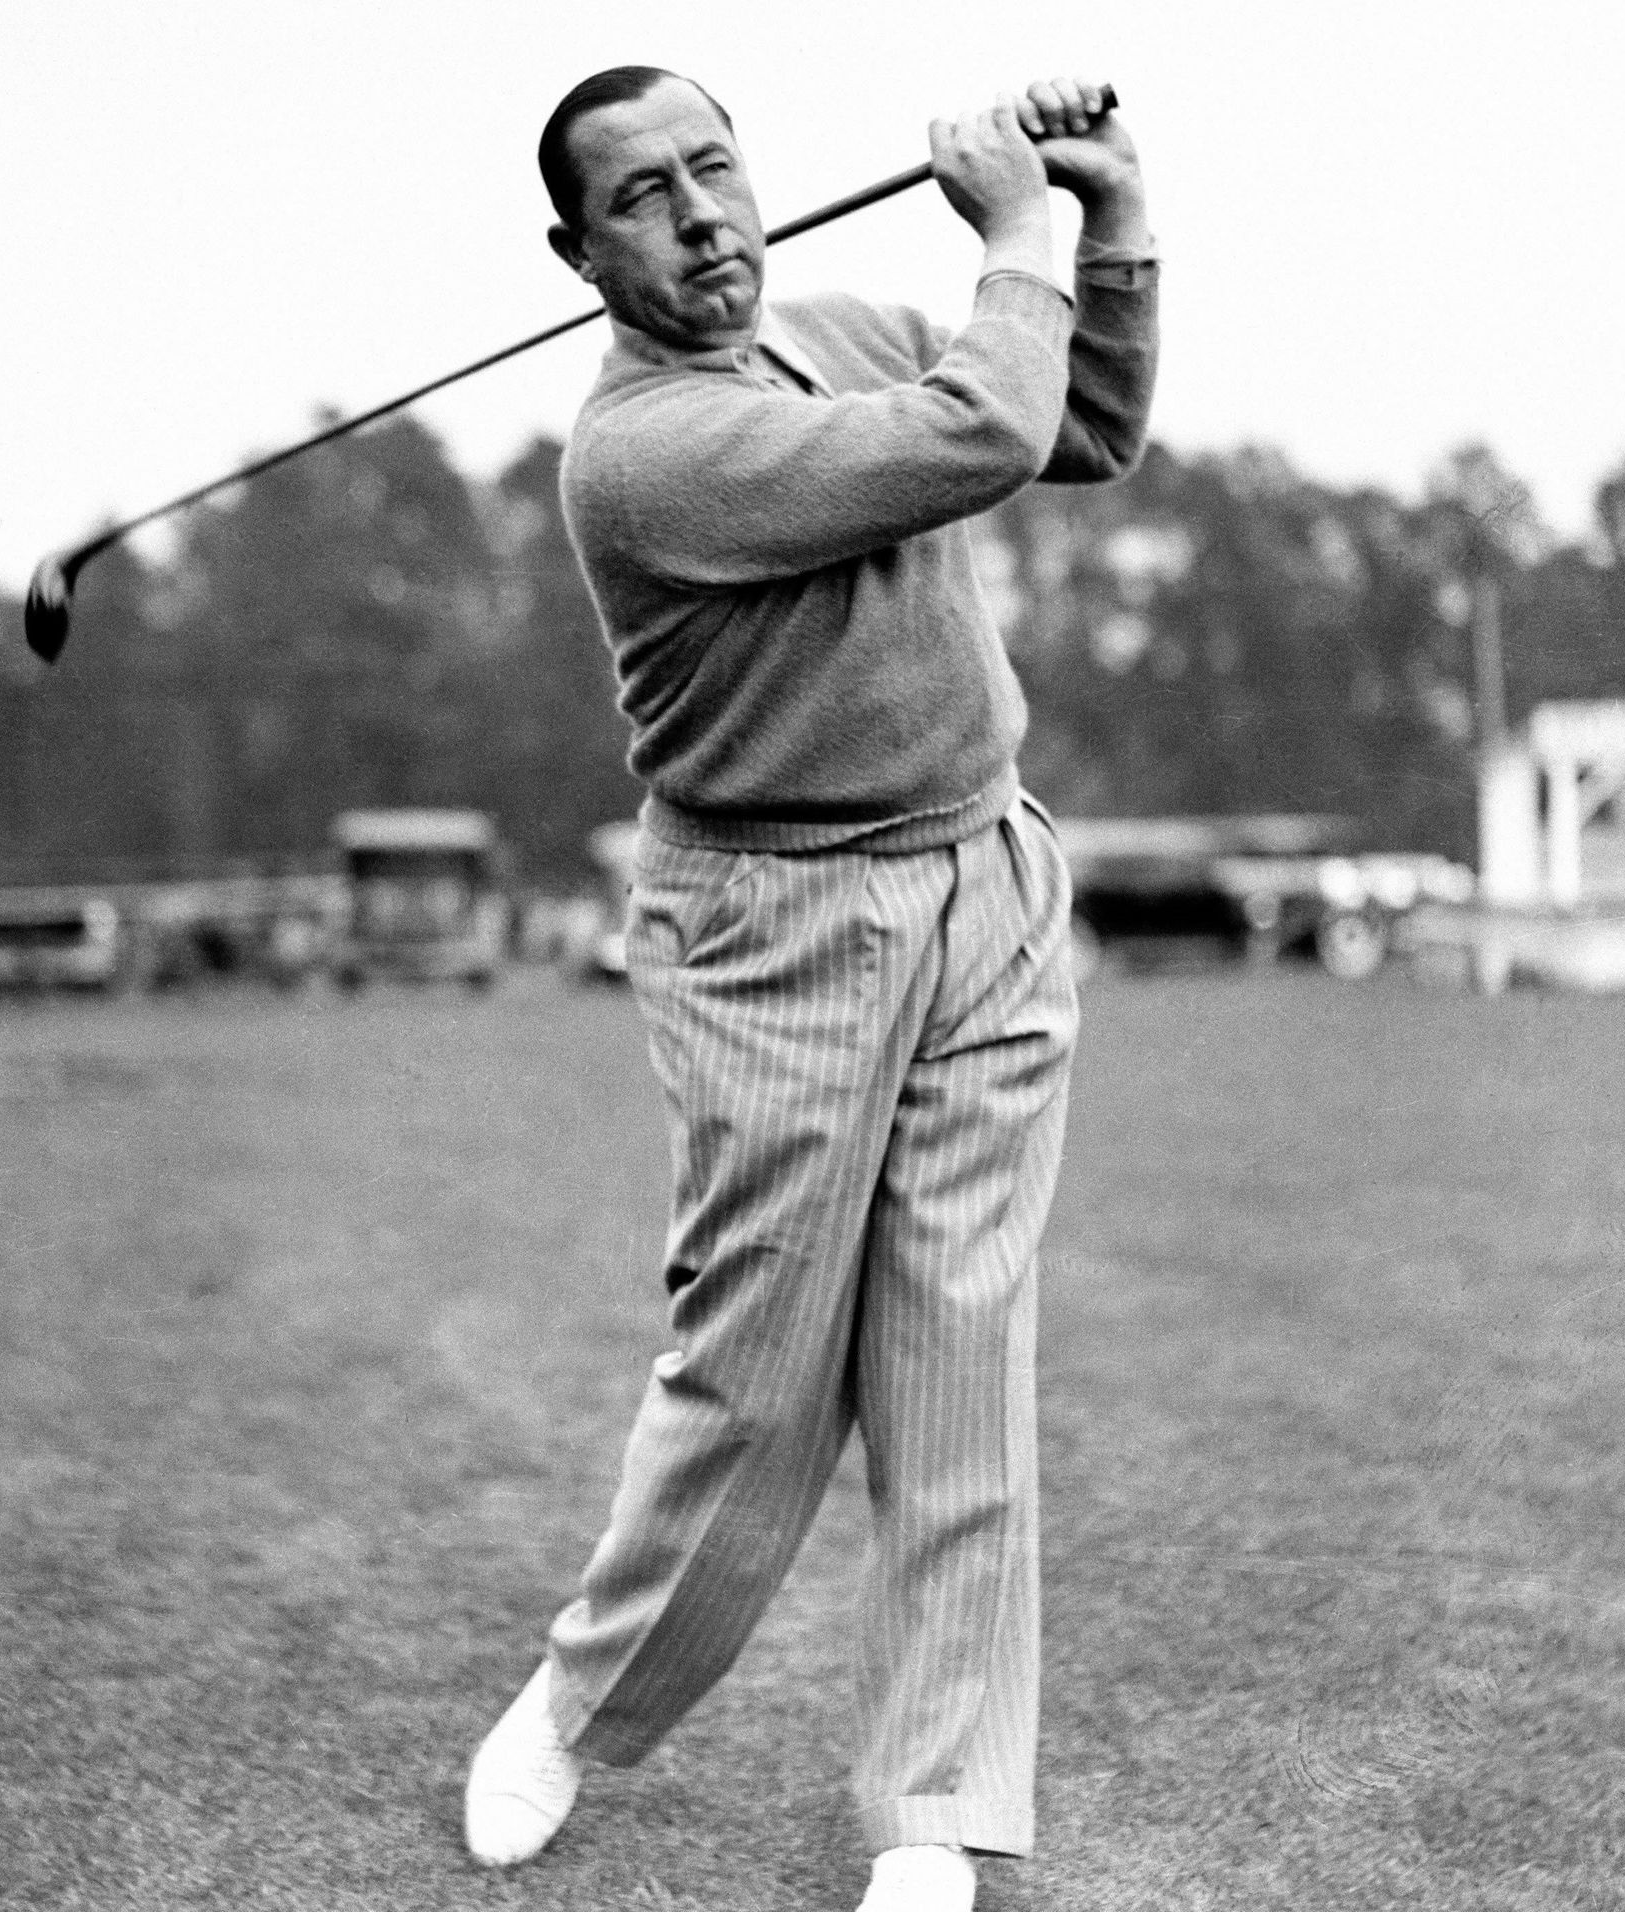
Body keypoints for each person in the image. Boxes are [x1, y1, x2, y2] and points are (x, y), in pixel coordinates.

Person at [465, 65, 1159, 1912]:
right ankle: (581, 1696)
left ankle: (934, 1816)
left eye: (715, 168)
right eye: (642, 198)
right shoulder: (639, 458)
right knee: (758, 1384)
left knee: (957, 1361)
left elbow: (1078, 423)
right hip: (773, 925)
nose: (700, 215)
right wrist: (1009, 235)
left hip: (983, 885)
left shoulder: (837, 330)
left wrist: (1109, 220)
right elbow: (976, 438)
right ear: (579, 252)